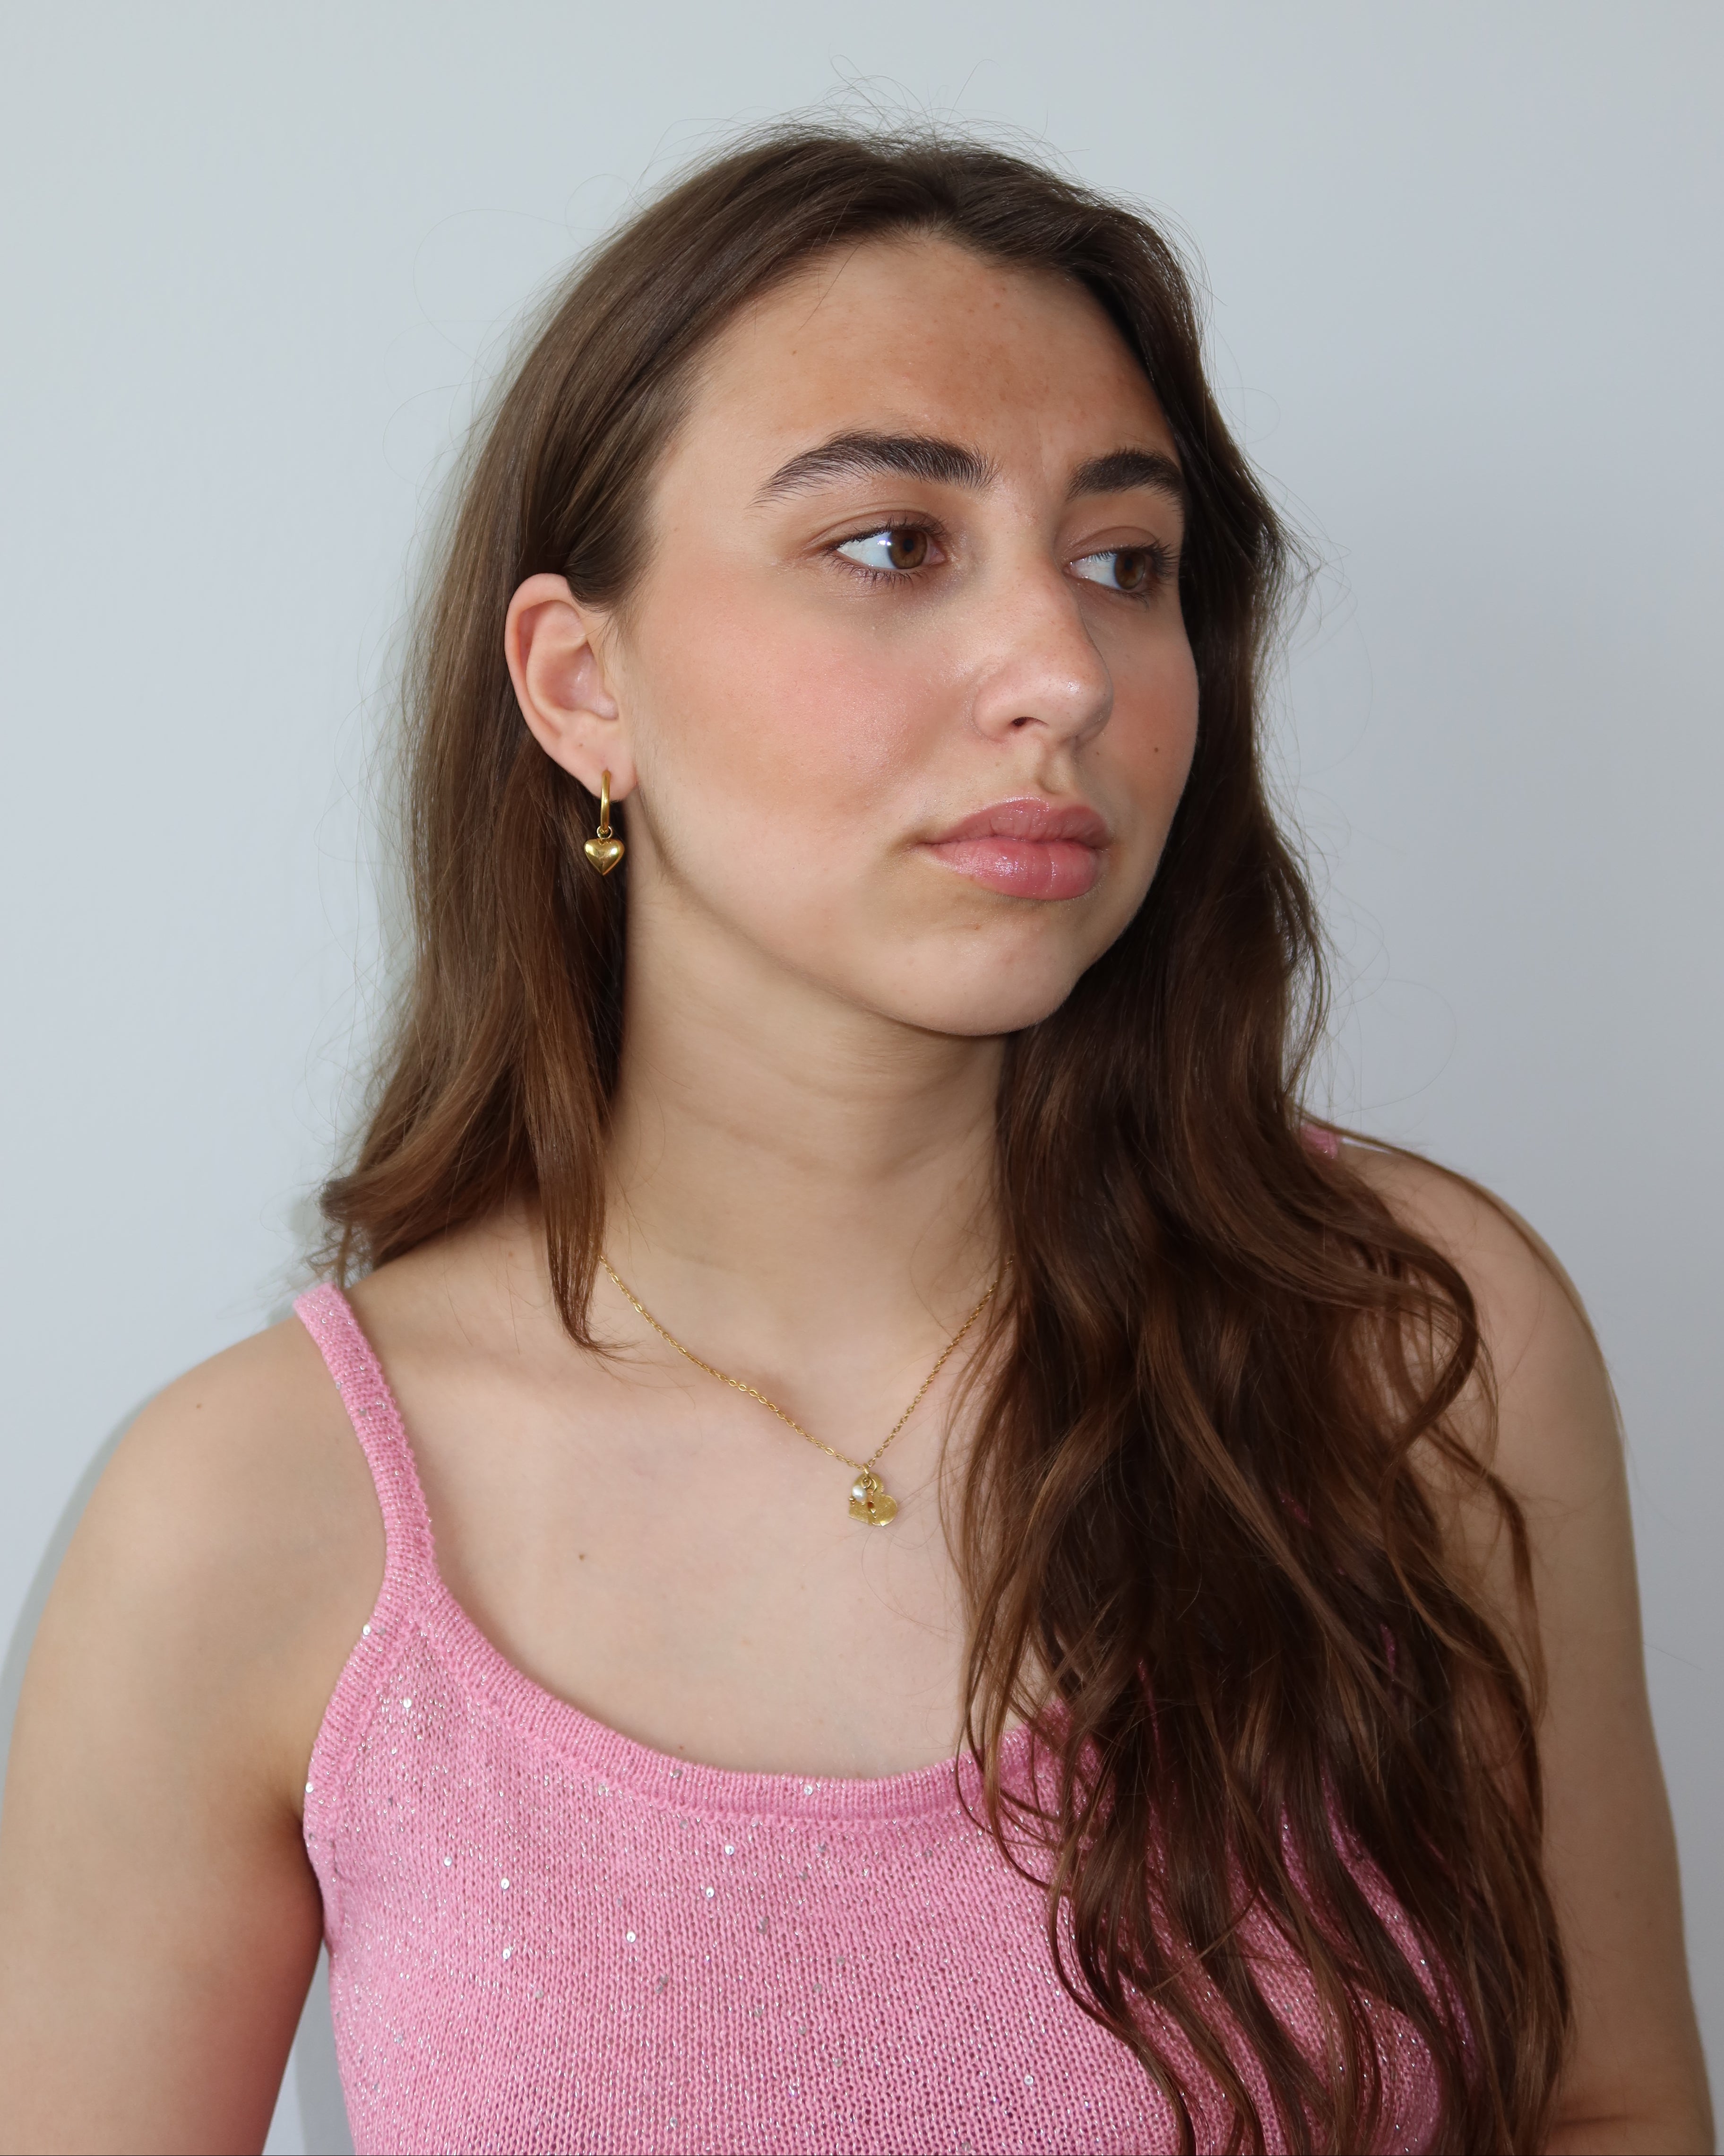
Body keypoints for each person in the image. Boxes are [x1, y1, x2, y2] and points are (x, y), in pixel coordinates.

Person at [0, 123, 1709, 2156]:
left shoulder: (1414, 1343)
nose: (1063, 673)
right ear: (581, 684)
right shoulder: (246, 1521)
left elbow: (1611, 2105)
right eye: (896, 543)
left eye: (1125, 562)